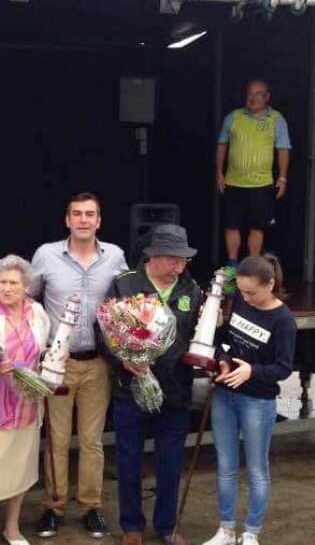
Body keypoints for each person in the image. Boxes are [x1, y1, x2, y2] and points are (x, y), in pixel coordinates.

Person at [29, 192, 128, 538]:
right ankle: (53, 506)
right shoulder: (45, 255)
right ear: (67, 220)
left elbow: (126, 304)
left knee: (91, 441)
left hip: (98, 362)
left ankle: (91, 506)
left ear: (99, 220)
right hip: (59, 363)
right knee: (55, 439)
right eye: (77, 214)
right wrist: (39, 347)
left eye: (90, 214)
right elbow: (28, 301)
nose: (83, 219)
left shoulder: (115, 256)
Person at [101, 225, 202, 545]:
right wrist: (122, 360)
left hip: (176, 390)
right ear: (154, 256)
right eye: (174, 260)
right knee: (129, 462)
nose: (180, 266)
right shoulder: (125, 284)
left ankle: (167, 525)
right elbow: (103, 333)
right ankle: (132, 526)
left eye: (184, 260)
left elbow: (199, 335)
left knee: (171, 463)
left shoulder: (192, 289)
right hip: (129, 388)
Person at [200, 254, 296, 545]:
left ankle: (251, 531)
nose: (245, 298)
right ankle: (226, 529)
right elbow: (228, 340)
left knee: (256, 468)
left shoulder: (283, 320)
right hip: (225, 394)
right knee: (226, 465)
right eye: (241, 291)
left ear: (270, 284)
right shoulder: (241, 303)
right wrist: (224, 361)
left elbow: (283, 367)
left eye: (251, 292)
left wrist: (251, 371)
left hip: (257, 400)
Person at [0, 254, 51, 545]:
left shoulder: (37, 313)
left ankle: (12, 529)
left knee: (19, 471)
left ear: (26, 285)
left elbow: (42, 353)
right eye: (2, 282)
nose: (7, 288)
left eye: (14, 282)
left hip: (26, 407)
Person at [215, 79, 291, 266]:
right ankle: (232, 267)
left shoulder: (276, 119)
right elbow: (222, 144)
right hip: (234, 182)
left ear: (267, 97)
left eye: (258, 94)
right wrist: (219, 171)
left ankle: (252, 266)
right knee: (232, 226)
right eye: (249, 93)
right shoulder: (233, 117)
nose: (252, 98)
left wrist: (282, 177)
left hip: (262, 183)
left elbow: (283, 149)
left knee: (257, 227)